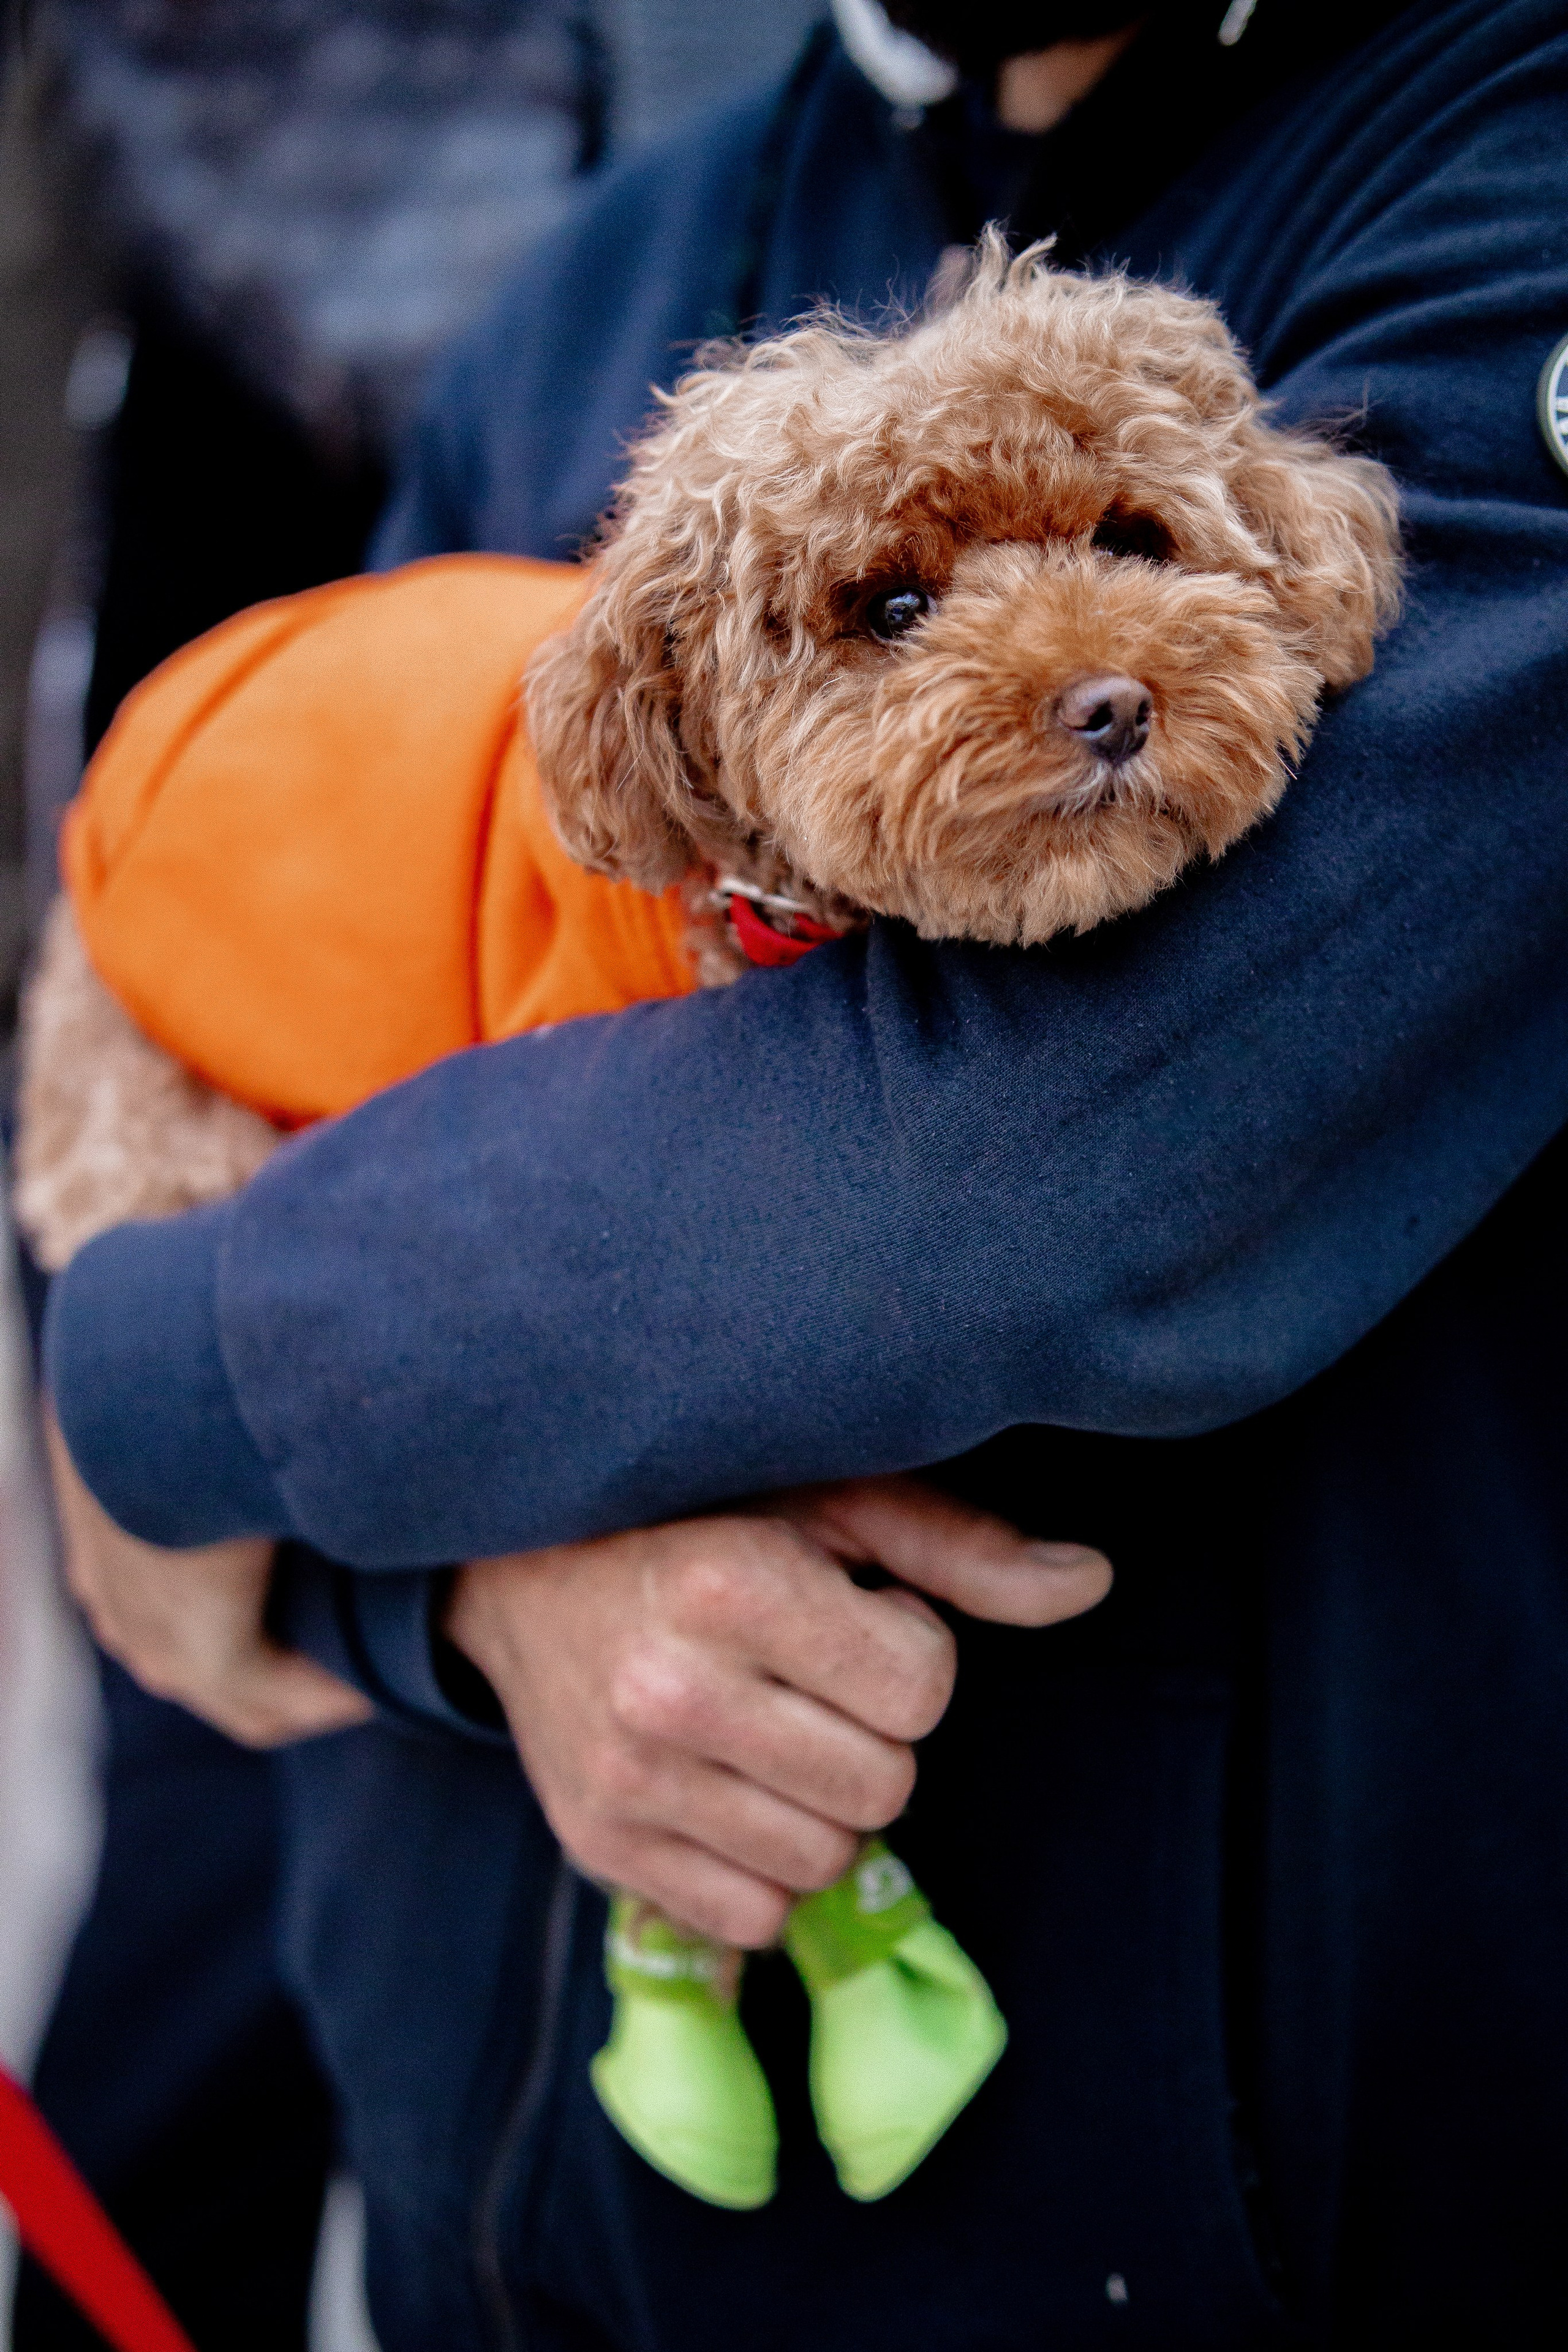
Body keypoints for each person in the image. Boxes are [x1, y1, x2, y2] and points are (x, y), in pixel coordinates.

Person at [42, 0, 1568, 2343]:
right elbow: (341, 1037)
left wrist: (163, 1368)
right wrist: (461, 1611)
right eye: (896, 604)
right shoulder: (592, 279)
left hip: (1177, 2234)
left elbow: (1061, 1160)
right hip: (492, 2211)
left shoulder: (1503, 177)